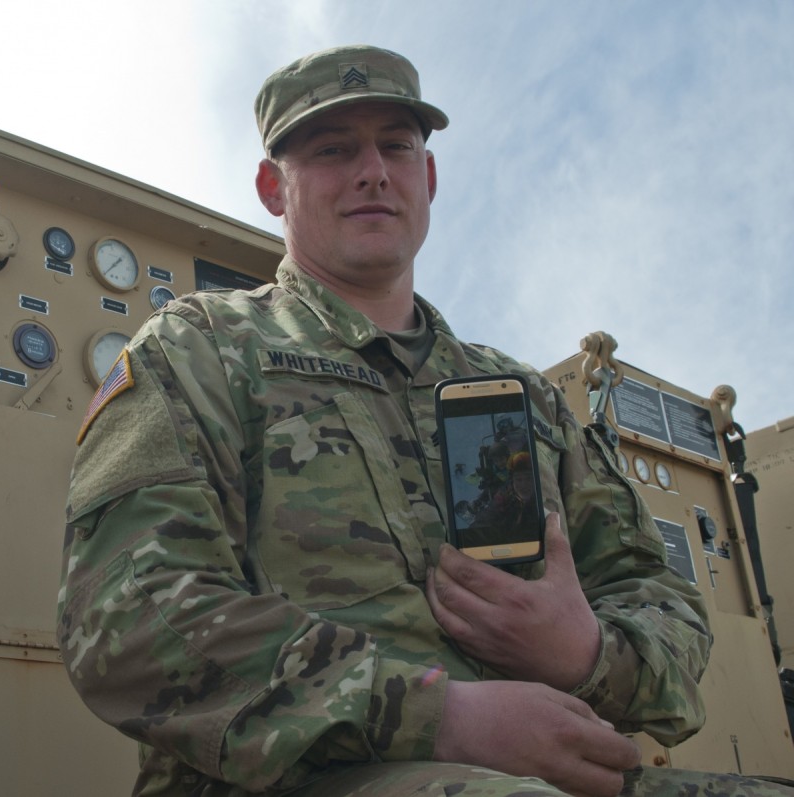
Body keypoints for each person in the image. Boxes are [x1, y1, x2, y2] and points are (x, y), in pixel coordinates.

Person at [57, 45, 788, 797]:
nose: (372, 170)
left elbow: (661, 599)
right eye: (334, 149)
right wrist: (444, 716)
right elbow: (128, 616)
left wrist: (585, 652)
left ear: (427, 179)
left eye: (396, 147)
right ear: (273, 188)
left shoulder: (523, 398)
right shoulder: (198, 352)